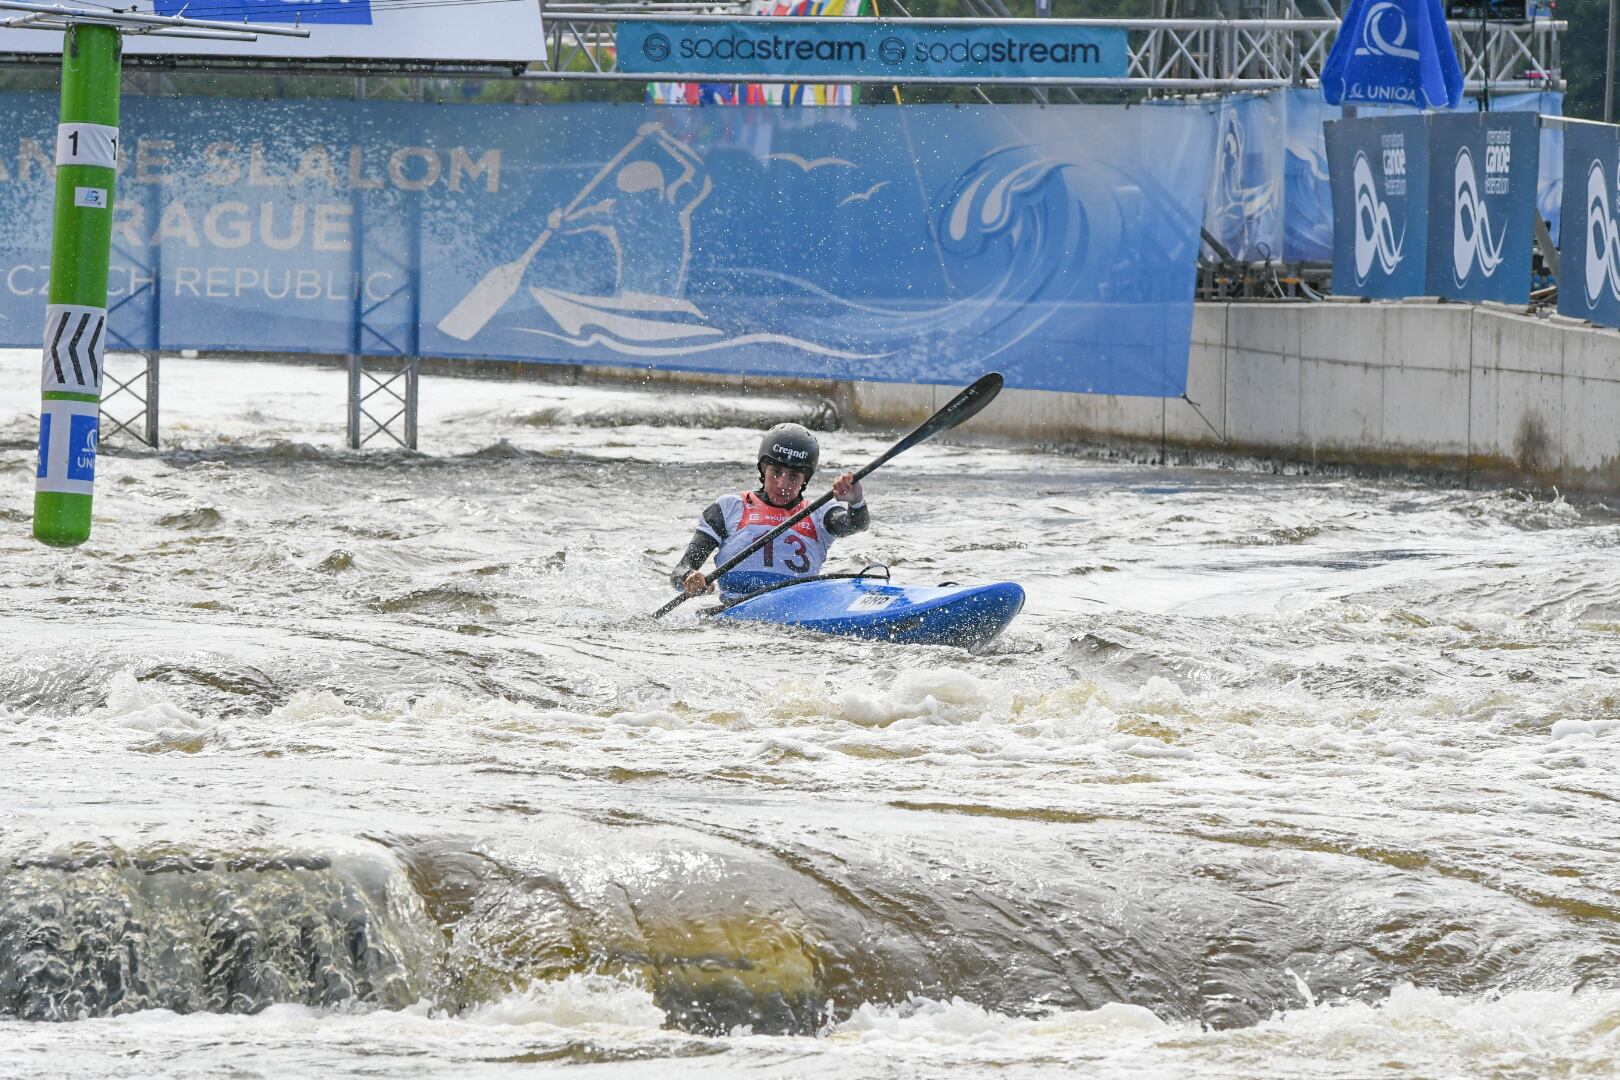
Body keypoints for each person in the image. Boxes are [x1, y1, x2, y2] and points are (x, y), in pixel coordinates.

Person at [670, 423, 869, 600]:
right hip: (735, 607)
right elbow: (680, 569)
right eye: (776, 472)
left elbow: (856, 524)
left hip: (799, 605)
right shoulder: (728, 507)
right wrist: (689, 578)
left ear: (805, 479)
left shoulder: (820, 512)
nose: (783, 484)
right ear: (763, 469)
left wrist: (856, 501)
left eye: (794, 476)